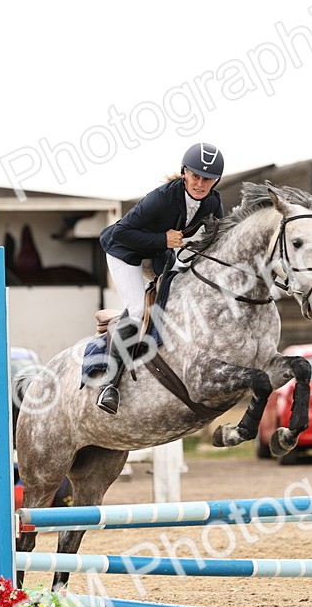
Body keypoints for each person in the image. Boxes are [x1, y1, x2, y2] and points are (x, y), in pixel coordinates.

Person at [95, 142, 226, 414]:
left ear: (216, 181)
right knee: (137, 310)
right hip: (125, 253)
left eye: (208, 179)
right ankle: (109, 386)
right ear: (184, 174)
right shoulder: (162, 197)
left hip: (159, 256)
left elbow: (219, 240)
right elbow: (120, 232)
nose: (200, 184)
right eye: (196, 176)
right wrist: (162, 239)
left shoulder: (213, 202)